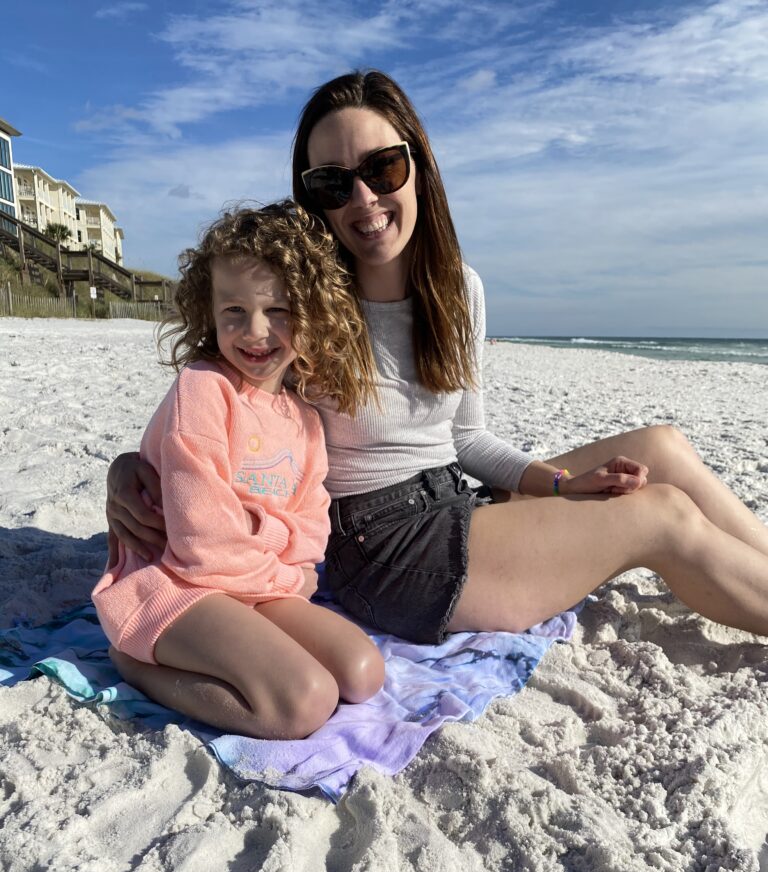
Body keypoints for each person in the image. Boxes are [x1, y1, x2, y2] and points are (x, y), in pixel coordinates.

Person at [106, 70, 768, 648]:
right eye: (333, 183)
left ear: (417, 164)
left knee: (665, 449)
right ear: (314, 199)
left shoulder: (459, 288)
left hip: (454, 498)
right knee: (664, 516)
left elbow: (466, 438)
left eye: (382, 169)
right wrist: (131, 468)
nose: (363, 200)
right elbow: (216, 395)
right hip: (383, 551)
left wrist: (563, 487)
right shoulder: (306, 304)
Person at [94, 201, 384, 739]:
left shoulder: (304, 420)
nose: (256, 332)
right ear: (210, 312)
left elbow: (312, 529)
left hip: (257, 587)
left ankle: (233, 632)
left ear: (313, 315)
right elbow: (204, 540)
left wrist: (269, 543)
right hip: (178, 584)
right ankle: (135, 661)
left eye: (279, 311)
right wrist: (279, 561)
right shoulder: (204, 389)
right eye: (234, 311)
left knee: (363, 673)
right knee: (303, 701)